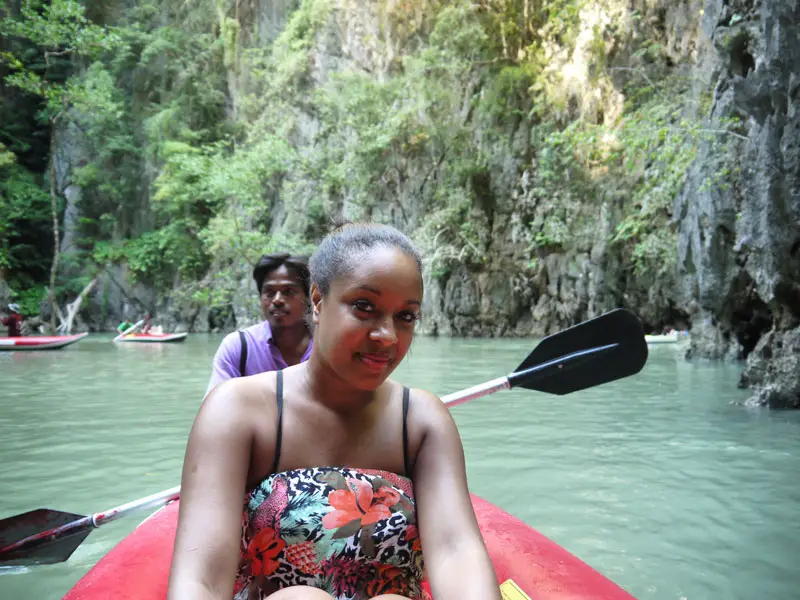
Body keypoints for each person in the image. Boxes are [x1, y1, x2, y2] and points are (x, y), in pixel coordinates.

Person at [168, 223, 500, 600]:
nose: (388, 336)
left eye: (406, 317)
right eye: (364, 307)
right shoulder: (237, 410)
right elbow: (202, 577)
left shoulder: (422, 420)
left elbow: (457, 552)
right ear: (318, 300)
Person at [205, 254, 313, 395]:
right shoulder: (239, 347)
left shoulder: (329, 346)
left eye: (289, 292)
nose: (278, 300)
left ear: (310, 298)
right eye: (269, 292)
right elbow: (215, 408)